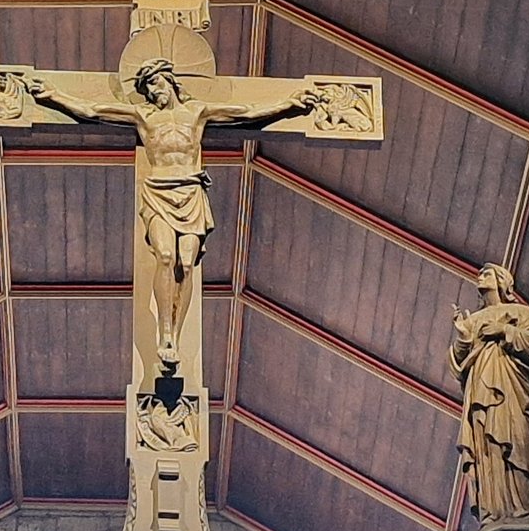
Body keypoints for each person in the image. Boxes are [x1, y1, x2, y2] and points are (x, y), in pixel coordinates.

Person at [26, 59, 317, 374]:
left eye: (155, 83)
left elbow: (245, 113)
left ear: (169, 80)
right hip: (158, 191)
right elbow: (95, 111)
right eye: (146, 87)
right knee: (165, 255)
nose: (152, 92)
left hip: (191, 193)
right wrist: (55, 96)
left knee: (186, 264)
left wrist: (288, 104)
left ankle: (174, 337)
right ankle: (165, 334)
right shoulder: (143, 116)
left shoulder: (197, 113)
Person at [449, 263, 529, 529]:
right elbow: (458, 363)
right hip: (480, 390)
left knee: (514, 439)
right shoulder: (472, 320)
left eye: (488, 273)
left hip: (510, 389)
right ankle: (493, 509)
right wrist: (462, 337)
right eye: (480, 273)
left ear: (502, 281)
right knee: (487, 448)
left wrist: (504, 331)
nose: (480, 276)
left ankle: (523, 506)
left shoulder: (520, 312)